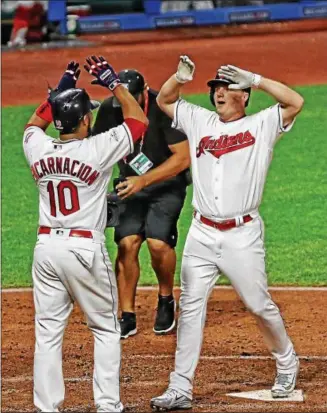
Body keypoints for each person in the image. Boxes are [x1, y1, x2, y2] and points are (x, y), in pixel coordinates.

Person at [150, 56, 304, 410]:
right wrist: (178, 77)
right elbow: (165, 101)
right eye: (216, 88)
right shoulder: (200, 121)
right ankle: (180, 388)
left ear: (244, 95)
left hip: (242, 235)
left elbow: (295, 102)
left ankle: (286, 361)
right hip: (202, 233)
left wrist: (256, 78)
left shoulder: (263, 124)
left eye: (227, 88)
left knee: (258, 305)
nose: (219, 93)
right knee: (190, 307)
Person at [23, 56, 148, 412]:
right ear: (85, 120)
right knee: (106, 329)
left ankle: (47, 407)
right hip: (83, 250)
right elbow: (137, 120)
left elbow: (35, 122)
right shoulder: (97, 149)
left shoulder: (38, 148)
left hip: (46, 248)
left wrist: (60, 91)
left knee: (47, 333)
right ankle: (108, 406)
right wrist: (113, 83)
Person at [92, 69, 191, 339]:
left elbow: (183, 158)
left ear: (144, 91)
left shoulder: (162, 108)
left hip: (166, 183)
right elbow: (96, 150)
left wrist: (144, 180)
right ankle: (127, 314)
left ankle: (166, 298)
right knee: (127, 244)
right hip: (129, 185)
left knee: (158, 244)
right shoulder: (110, 110)